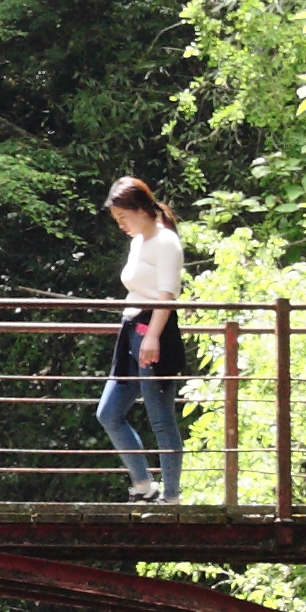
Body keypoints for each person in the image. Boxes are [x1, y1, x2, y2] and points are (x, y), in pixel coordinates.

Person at [96, 177, 186, 501]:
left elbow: (167, 295)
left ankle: (171, 495)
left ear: (139, 209)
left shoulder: (166, 242)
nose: (120, 225)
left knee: (161, 420)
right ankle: (144, 484)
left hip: (155, 331)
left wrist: (154, 337)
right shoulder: (138, 242)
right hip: (132, 330)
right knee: (108, 413)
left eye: (123, 217)